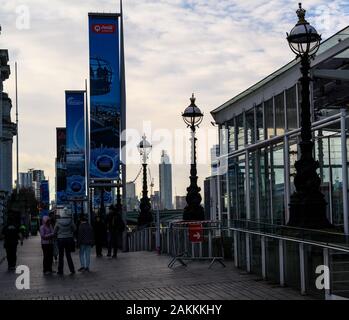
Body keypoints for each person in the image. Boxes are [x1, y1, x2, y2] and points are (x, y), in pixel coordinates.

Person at [53, 208, 76, 275]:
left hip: (60, 239)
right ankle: (72, 270)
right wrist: (70, 232)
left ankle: (60, 270)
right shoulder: (70, 221)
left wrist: (58, 234)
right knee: (68, 255)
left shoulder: (58, 221)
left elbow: (54, 231)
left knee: (61, 255)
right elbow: (74, 229)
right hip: (69, 239)